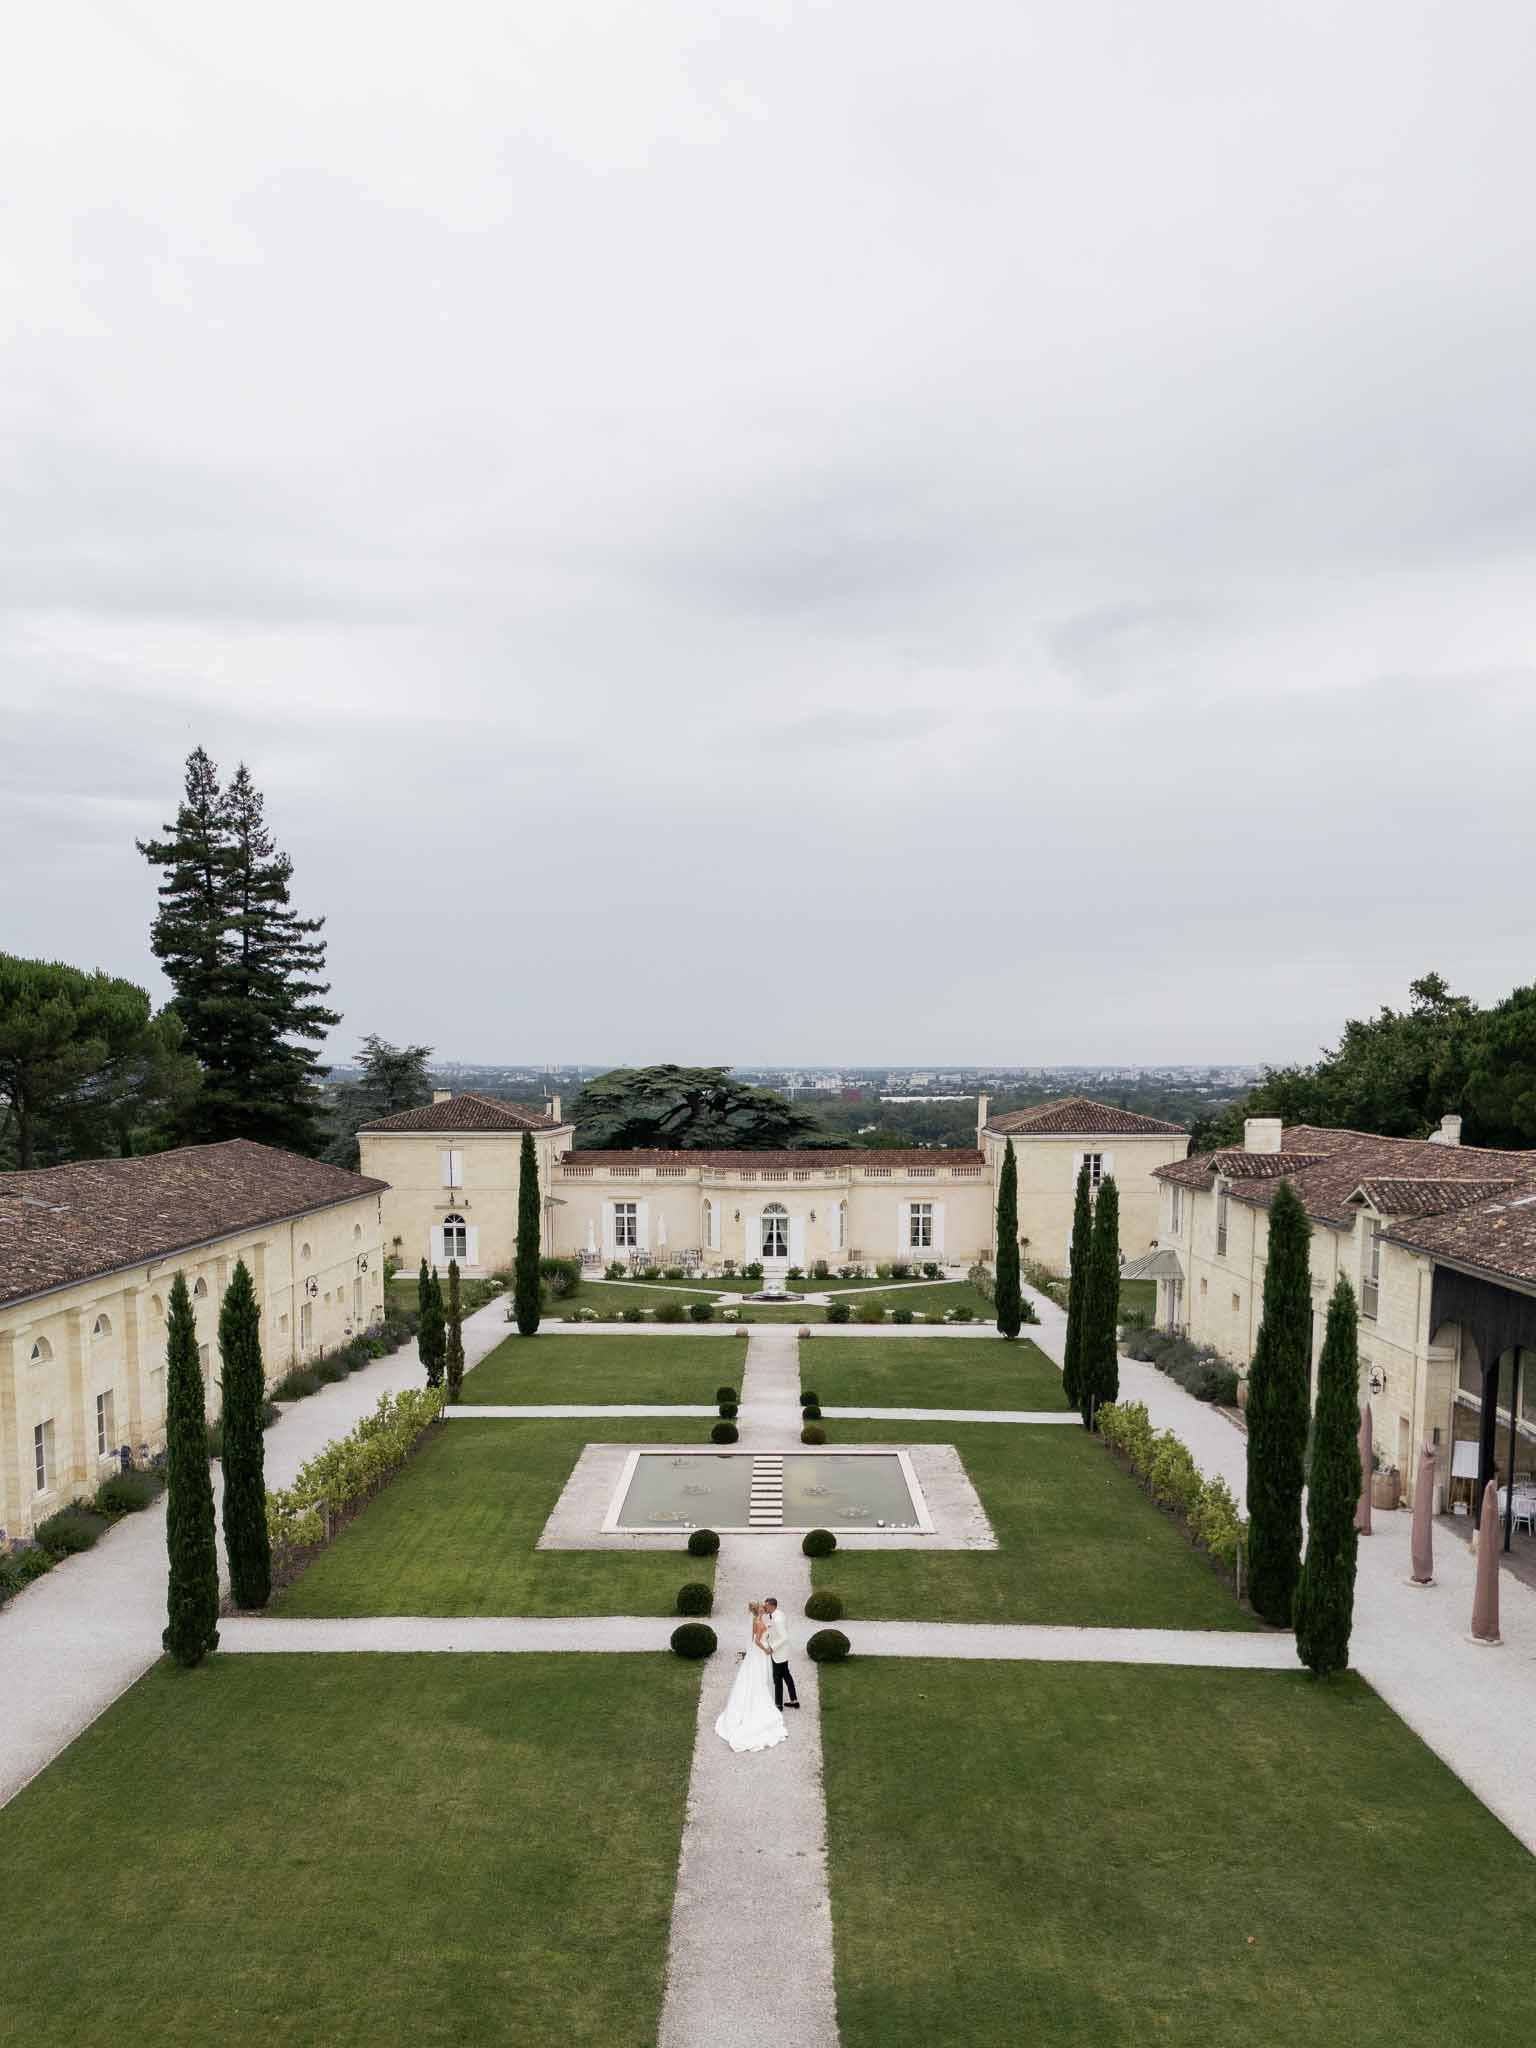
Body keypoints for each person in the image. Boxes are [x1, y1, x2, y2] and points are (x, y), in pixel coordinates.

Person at [713, 1600, 786, 1753]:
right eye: (762, 1607)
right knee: (759, 1679)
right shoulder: (759, 1623)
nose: (764, 1608)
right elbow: (756, 1640)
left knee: (755, 1677)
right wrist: (766, 1649)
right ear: (758, 1610)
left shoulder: (756, 1620)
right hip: (759, 1653)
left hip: (755, 1654)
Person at [762, 1596, 799, 1710]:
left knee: (777, 1678)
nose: (764, 1608)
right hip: (783, 1652)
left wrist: (771, 1648)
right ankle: (794, 1700)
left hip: (778, 1653)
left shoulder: (777, 1619)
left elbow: (784, 1637)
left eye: (766, 1606)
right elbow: (776, 1630)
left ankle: (778, 1705)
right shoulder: (778, 1614)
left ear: (772, 1606)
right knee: (786, 1675)